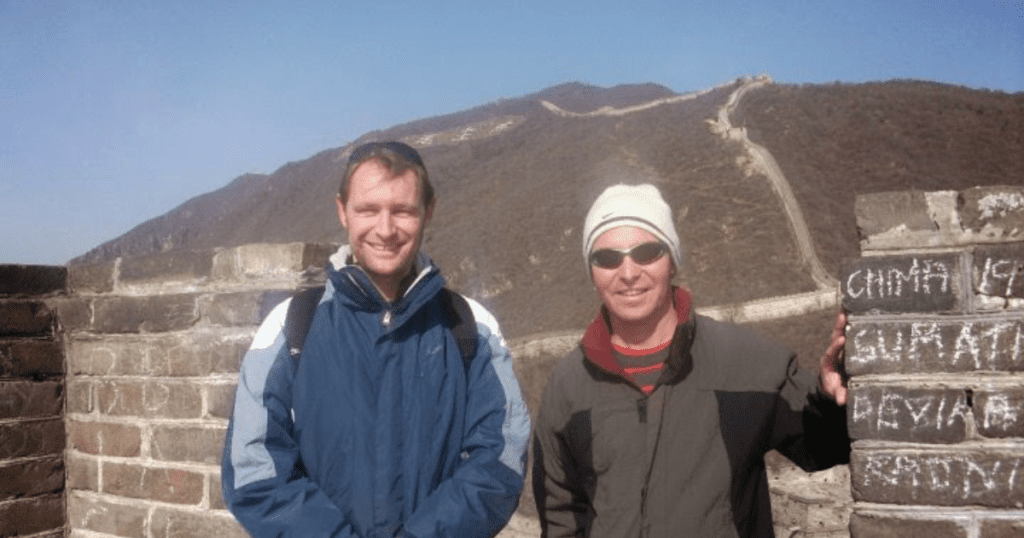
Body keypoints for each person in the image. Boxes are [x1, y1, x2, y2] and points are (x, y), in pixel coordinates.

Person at [222, 141, 530, 538]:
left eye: (402, 211)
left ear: (428, 212)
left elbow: (500, 460)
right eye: (368, 210)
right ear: (342, 212)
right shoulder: (292, 325)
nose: (385, 230)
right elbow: (254, 469)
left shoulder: (470, 325)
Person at [532, 183, 850, 538]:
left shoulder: (743, 360)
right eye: (607, 258)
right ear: (592, 273)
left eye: (646, 252)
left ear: (673, 262)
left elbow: (825, 447)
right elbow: (560, 515)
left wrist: (835, 397)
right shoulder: (569, 385)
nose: (628, 272)